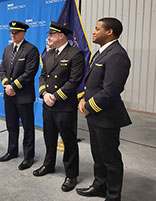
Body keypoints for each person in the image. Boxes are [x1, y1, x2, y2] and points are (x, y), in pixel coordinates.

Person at [76, 18, 131, 201]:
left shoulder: (117, 55)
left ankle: (113, 195)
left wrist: (89, 107)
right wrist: (83, 99)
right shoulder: (101, 53)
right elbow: (93, 85)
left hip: (107, 116)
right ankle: (100, 186)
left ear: (110, 32)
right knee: (98, 155)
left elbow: (112, 89)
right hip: (94, 114)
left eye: (97, 28)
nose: (93, 31)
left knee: (110, 158)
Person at [34, 21, 85, 192]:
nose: (48, 38)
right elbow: (42, 76)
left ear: (61, 36)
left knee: (68, 141)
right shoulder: (48, 54)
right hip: (48, 104)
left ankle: (71, 174)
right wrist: (44, 94)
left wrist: (55, 96)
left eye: (51, 35)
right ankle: (48, 165)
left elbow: (75, 80)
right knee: (49, 138)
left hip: (64, 105)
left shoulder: (75, 54)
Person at [0, 21, 39, 170]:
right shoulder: (7, 49)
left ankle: (29, 157)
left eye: (16, 32)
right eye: (11, 32)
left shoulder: (31, 49)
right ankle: (12, 151)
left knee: (28, 127)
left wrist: (13, 87)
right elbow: (2, 69)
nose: (13, 35)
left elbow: (29, 73)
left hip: (23, 95)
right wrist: (6, 84)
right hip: (9, 95)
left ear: (23, 33)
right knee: (11, 125)